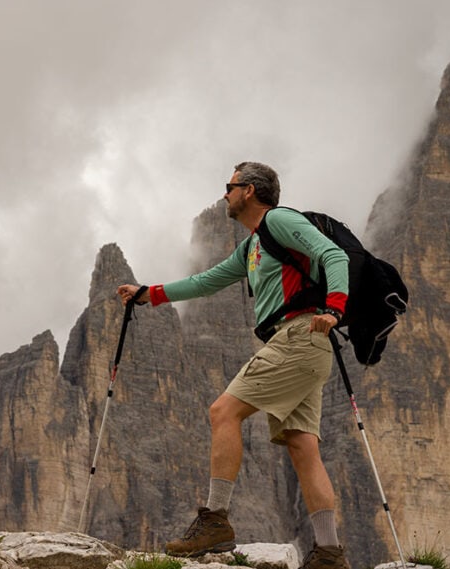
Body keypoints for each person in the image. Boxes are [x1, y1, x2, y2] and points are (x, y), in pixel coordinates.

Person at [117, 162, 351, 569]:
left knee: (223, 411)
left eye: (230, 185)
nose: (224, 193)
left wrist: (334, 309)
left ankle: (216, 522)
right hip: (304, 345)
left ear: (249, 191)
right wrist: (148, 294)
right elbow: (207, 281)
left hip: (298, 336)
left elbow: (333, 255)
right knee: (301, 445)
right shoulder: (252, 245)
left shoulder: (279, 220)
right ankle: (329, 553)